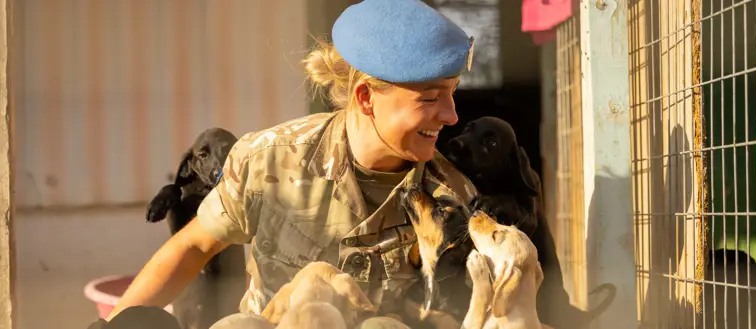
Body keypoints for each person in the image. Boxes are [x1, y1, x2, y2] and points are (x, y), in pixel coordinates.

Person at [108, 0, 481, 328]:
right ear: (366, 97)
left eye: (452, 94)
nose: (451, 116)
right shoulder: (269, 160)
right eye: (430, 98)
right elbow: (194, 246)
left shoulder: (451, 199)